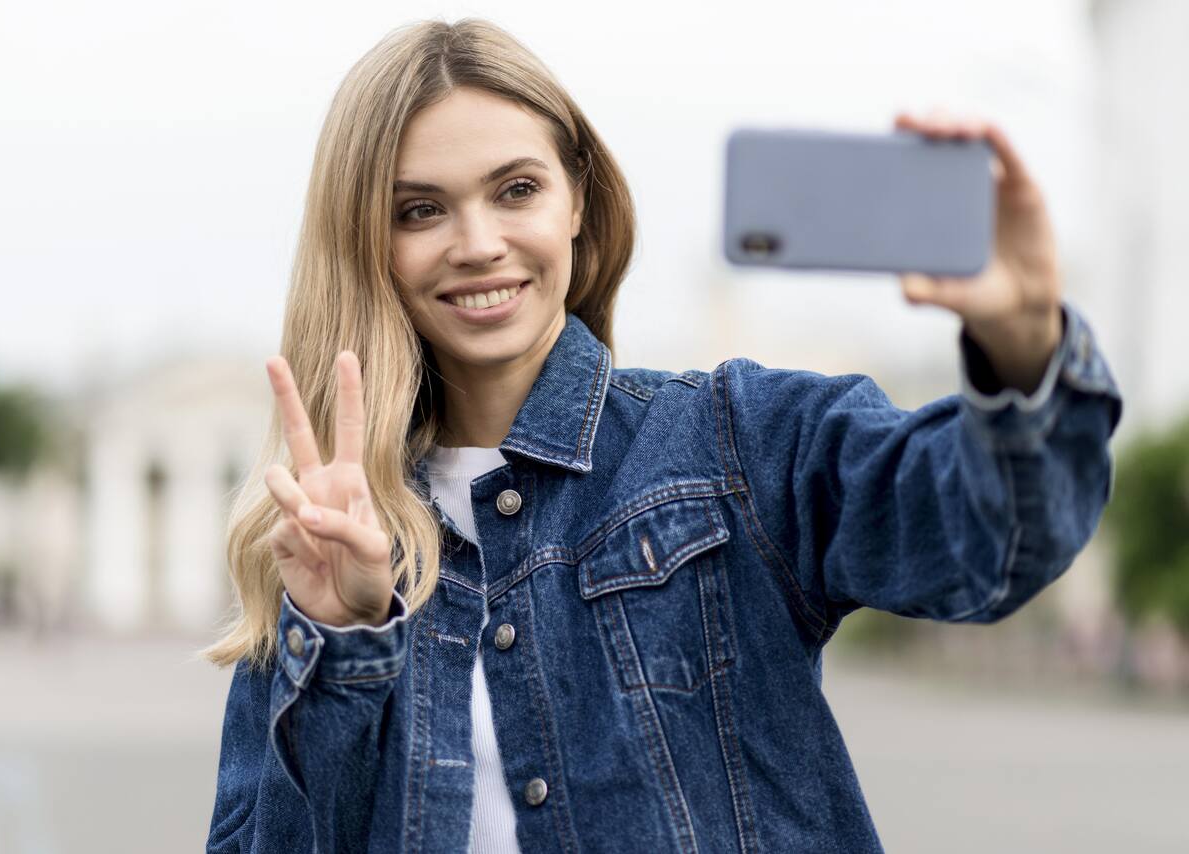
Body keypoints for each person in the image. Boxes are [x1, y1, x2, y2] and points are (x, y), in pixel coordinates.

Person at [202, 17, 1122, 854]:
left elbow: (992, 544)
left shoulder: (736, 441)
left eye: (515, 189)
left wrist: (1022, 340)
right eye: (420, 209)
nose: (477, 242)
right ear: (367, 242)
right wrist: (343, 635)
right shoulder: (316, 543)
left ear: (577, 202)